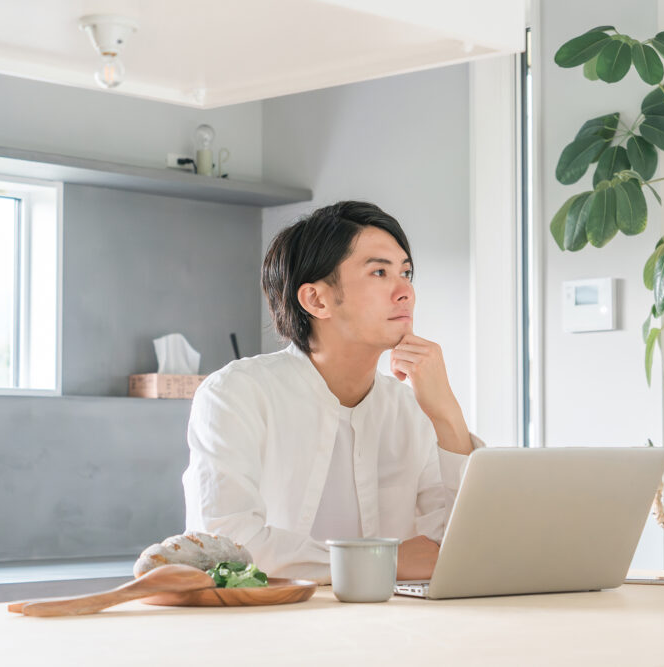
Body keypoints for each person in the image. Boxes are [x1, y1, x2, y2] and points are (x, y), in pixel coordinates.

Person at [182, 200, 482, 583]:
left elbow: (460, 546)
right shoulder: (236, 394)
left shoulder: (411, 407)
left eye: (406, 272)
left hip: (400, 627)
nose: (405, 291)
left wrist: (447, 416)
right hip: (271, 627)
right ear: (316, 300)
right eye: (379, 272)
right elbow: (226, 547)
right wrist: (382, 562)